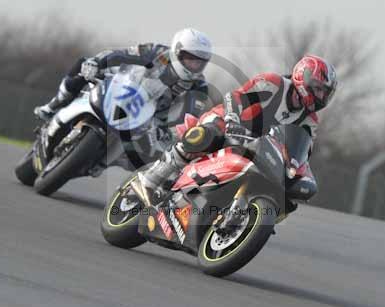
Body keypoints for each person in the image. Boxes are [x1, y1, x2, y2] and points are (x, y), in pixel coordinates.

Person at [133, 54, 338, 206]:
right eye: (318, 88)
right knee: (206, 135)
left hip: (259, 147)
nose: (321, 96)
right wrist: (233, 120)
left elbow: (302, 150)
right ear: (303, 77)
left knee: (285, 194)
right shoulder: (274, 84)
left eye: (325, 92)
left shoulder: (310, 120)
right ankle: (151, 179)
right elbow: (237, 97)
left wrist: (298, 172)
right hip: (230, 122)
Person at [34, 28, 213, 140]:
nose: (194, 65)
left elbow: (191, 117)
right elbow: (121, 54)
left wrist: (172, 132)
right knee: (84, 64)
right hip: (127, 86)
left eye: (199, 62)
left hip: (152, 119)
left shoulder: (199, 85)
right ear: (177, 51)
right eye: (190, 58)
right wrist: (97, 63)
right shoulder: (157, 52)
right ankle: (54, 105)